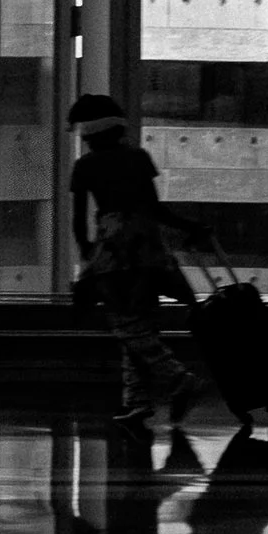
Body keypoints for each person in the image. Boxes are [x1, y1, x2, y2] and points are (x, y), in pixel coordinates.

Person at [67, 92, 212, 428]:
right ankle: (137, 401)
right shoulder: (139, 158)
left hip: (113, 248)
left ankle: (179, 380)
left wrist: (86, 249)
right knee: (141, 321)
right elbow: (156, 208)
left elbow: (79, 217)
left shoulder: (85, 166)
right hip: (148, 247)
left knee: (126, 325)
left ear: (89, 134)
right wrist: (191, 226)